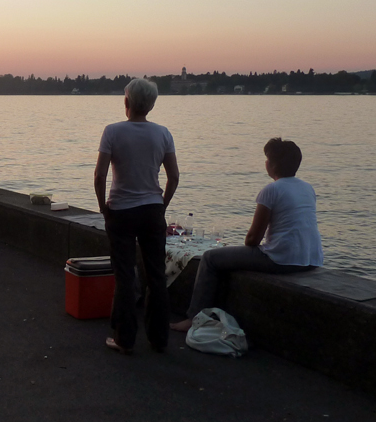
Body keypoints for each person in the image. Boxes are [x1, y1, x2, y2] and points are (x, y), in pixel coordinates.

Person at [171, 138, 322, 332]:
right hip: (311, 258)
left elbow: (252, 240)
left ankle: (194, 318)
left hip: (282, 259)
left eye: (267, 159)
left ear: (272, 165)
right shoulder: (307, 188)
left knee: (210, 258)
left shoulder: (271, 190)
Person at [94, 78, 179, 355]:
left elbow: (100, 175)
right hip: (152, 210)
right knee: (156, 275)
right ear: (152, 105)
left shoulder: (113, 131)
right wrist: (162, 205)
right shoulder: (163, 133)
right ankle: (159, 339)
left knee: (125, 275)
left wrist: (103, 206)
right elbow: (174, 176)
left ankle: (124, 339)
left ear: (126, 101)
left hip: (121, 210)